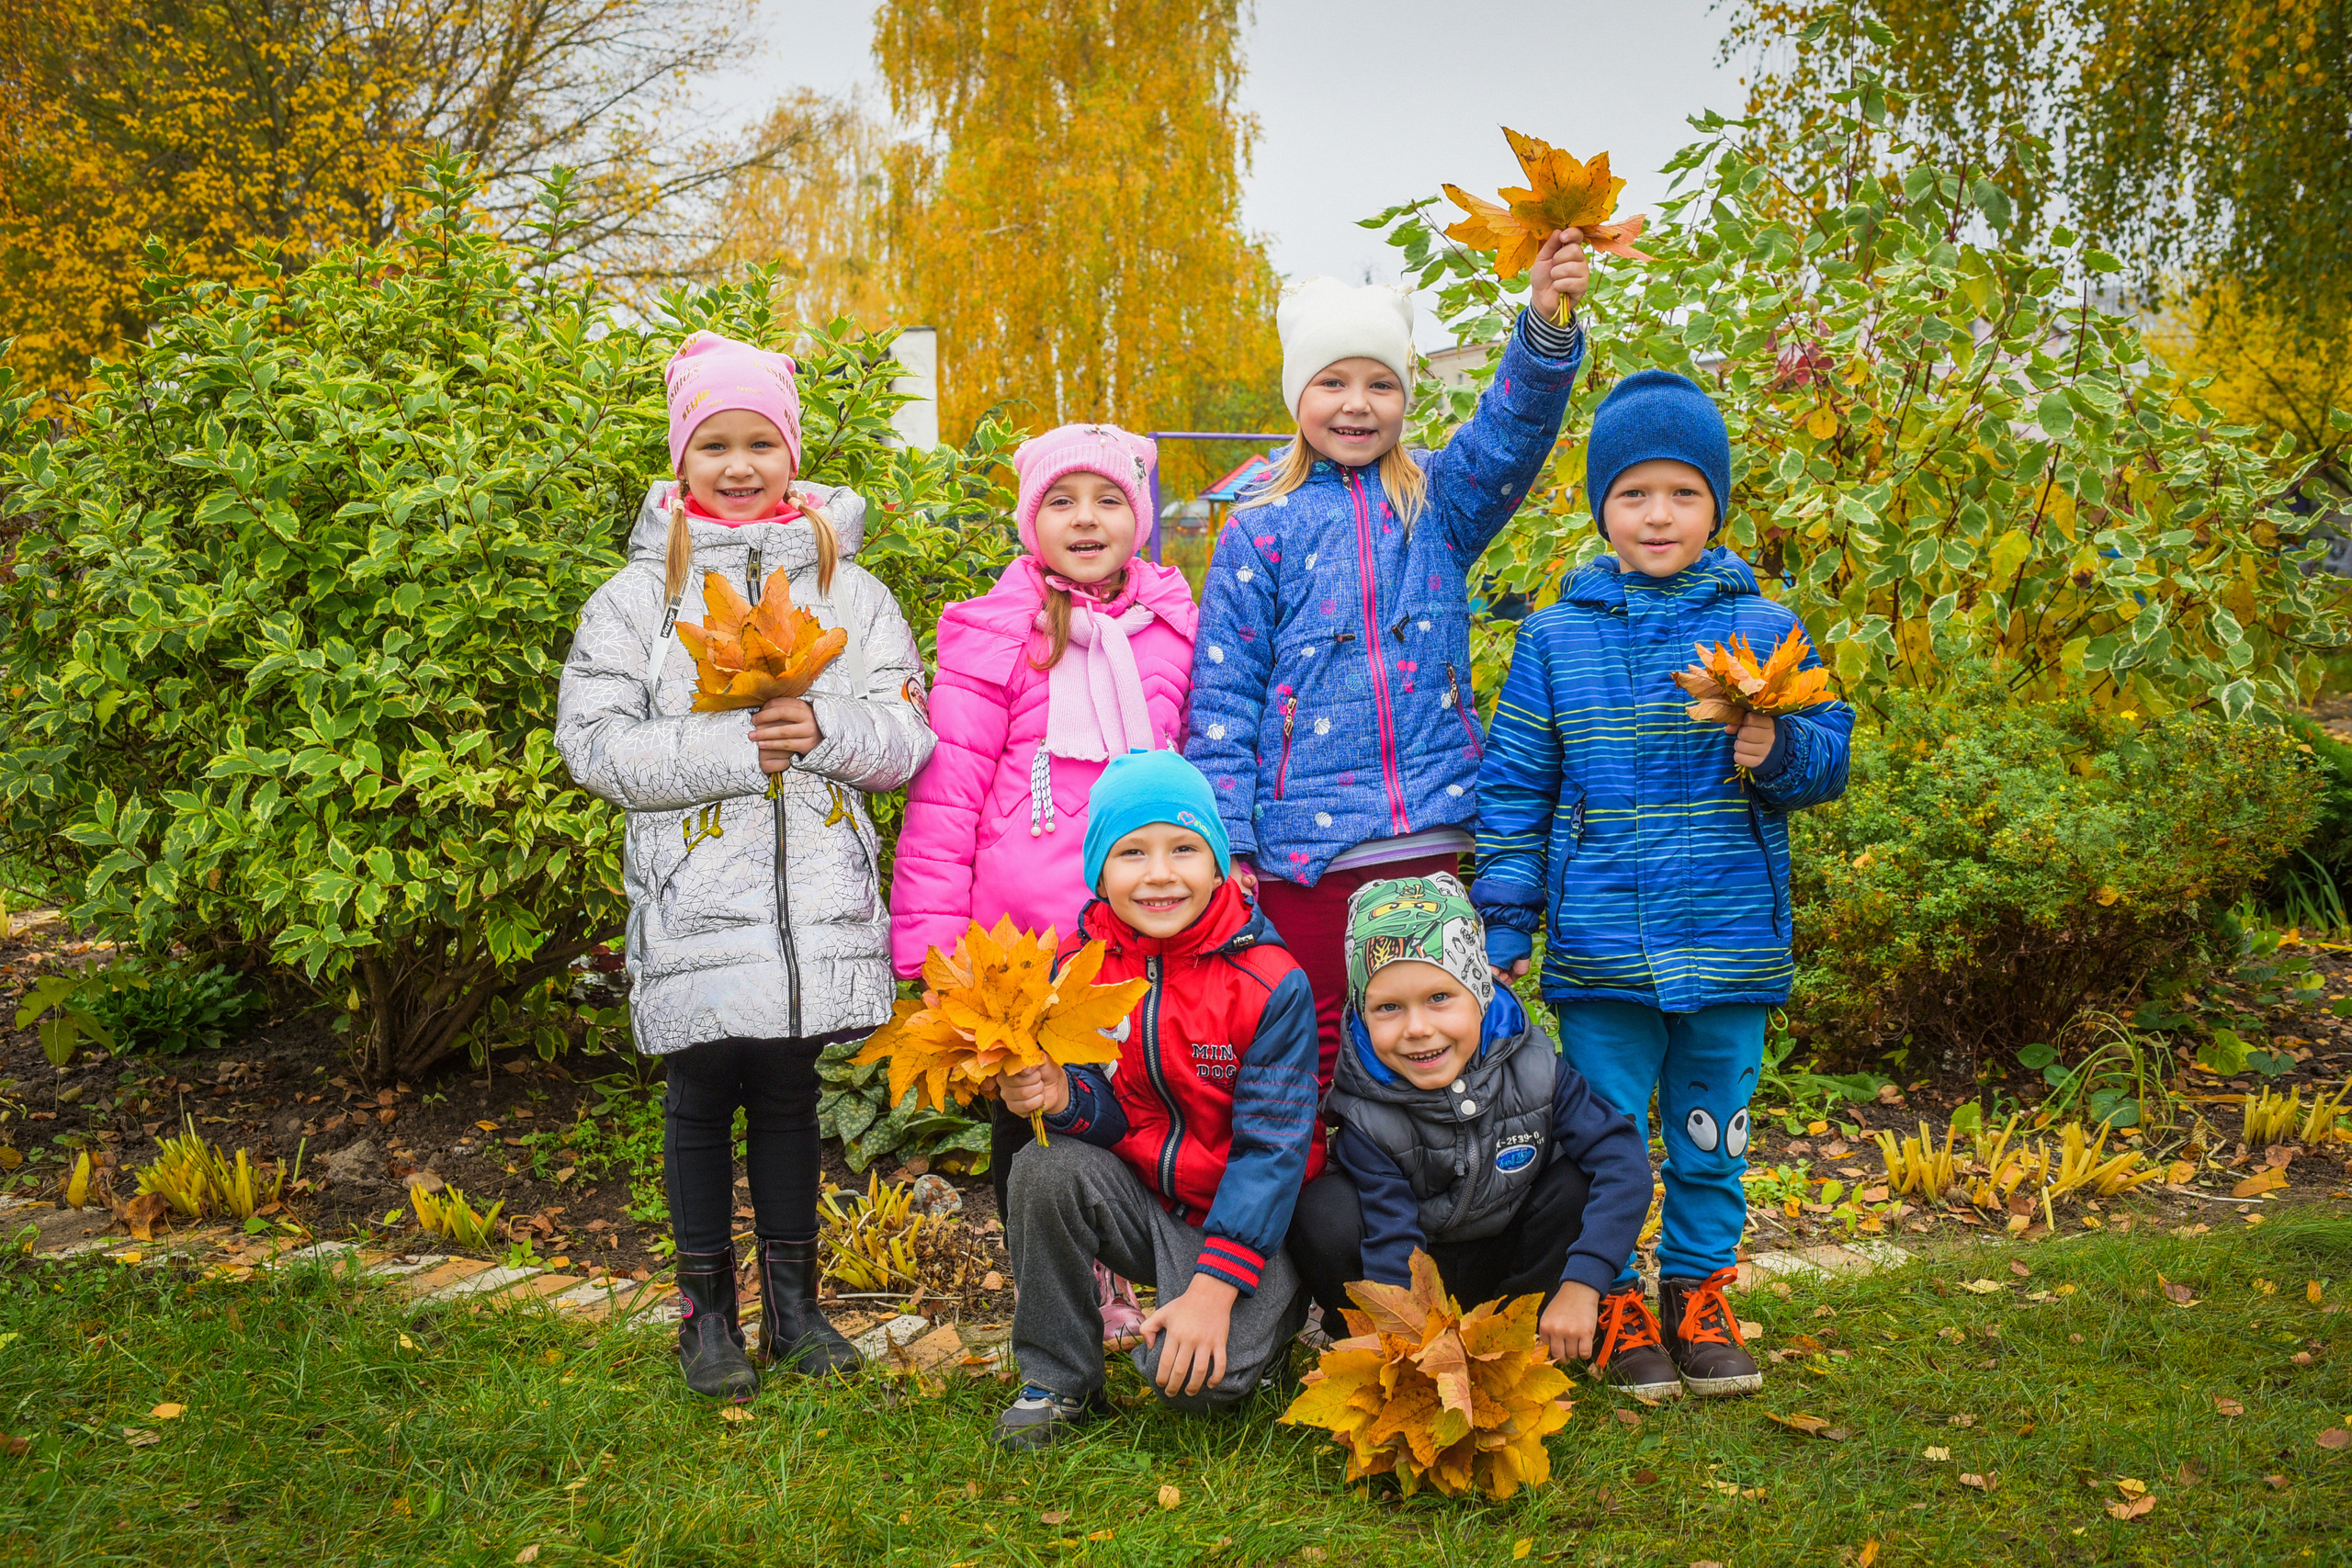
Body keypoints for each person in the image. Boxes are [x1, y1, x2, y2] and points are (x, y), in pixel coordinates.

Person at [555, 332, 935, 1400]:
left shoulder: (850, 593)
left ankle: (798, 1309)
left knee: (785, 1100)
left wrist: (821, 729)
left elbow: (906, 732)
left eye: (758, 443)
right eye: (713, 444)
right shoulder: (637, 599)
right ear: (680, 459)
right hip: (695, 902)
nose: (736, 465)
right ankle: (704, 1312)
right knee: (698, 1095)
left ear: (791, 453)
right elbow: (595, 745)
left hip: (812, 908)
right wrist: (736, 751)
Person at [1471, 369, 1853, 1399]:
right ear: (1601, 507)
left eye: (1682, 493)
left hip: (1728, 942)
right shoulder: (1557, 636)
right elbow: (1515, 786)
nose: (1657, 514)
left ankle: (1699, 1289)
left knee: (1709, 1133)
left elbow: (1829, 755)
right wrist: (1505, 921)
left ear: (1715, 506)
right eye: (1633, 493)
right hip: (1601, 948)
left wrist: (1775, 749)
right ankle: (1612, 1295)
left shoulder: (1764, 628)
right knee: (1603, 1137)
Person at [1185, 233, 1591, 1089]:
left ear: (1406, 397)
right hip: (1310, 851)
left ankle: (1451, 1214)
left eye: (1380, 383)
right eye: (1332, 382)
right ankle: (1331, 1222)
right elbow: (1222, 703)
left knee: (1434, 1050)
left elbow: (1513, 430)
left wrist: (1547, 326)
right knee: (1323, 1055)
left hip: (1435, 835)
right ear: (1299, 393)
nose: (1356, 404)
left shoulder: (1439, 501)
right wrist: (1231, 851)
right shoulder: (1261, 528)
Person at [888, 424, 1197, 1344]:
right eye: (1061, 501)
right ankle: (1051, 1298)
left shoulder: (1171, 630)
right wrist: (933, 947)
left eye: (1108, 500)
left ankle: (1127, 1281)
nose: (1086, 519)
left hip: (1140, 928)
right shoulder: (995, 634)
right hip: (1019, 942)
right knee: (1028, 1121)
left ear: (1138, 517)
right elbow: (947, 797)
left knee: (1127, 1106)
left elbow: (1193, 772)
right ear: (1030, 521)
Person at [991, 750, 1323, 1450]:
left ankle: (1266, 1326)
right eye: (1132, 851)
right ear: (1099, 873)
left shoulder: (1270, 981)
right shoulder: (1077, 968)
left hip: (1246, 1218)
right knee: (1043, 1167)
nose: (1161, 872)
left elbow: (1272, 1150)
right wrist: (1061, 1095)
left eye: (1184, 847)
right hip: (1145, 1201)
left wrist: (1214, 1288)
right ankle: (1059, 1378)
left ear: (1217, 862)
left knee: (1199, 1393)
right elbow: (1108, 1112)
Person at [1287, 873, 1650, 1371]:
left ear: (1479, 992)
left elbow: (1623, 1163)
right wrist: (1412, 1344)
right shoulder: (1362, 1109)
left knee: (1578, 1178)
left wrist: (1585, 1282)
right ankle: (1374, 1343)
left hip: (1512, 1260)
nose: (1418, 1028)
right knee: (1323, 1210)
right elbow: (1393, 1238)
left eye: (1440, 998)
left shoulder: (1538, 1070)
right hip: (1420, 1266)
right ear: (1362, 1013)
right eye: (1389, 1007)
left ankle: (1524, 1334)